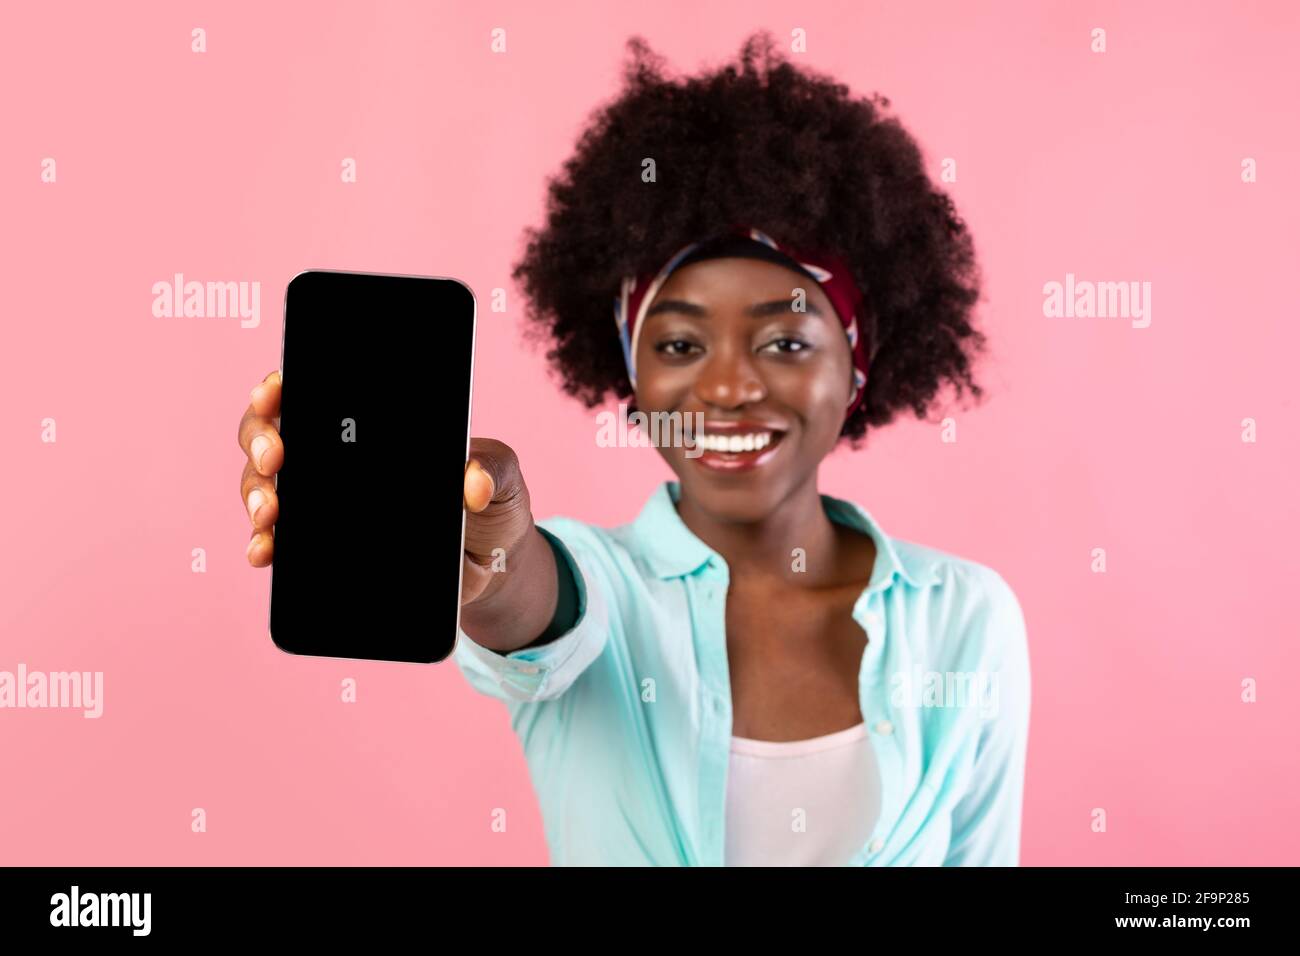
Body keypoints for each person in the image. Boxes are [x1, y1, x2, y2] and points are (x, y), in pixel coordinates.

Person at [237, 31, 1030, 866]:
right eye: (681, 346)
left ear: (860, 366)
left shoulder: (963, 620)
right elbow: (531, 605)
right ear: (629, 371)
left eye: (786, 343)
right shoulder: (599, 585)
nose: (725, 389)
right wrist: (490, 549)